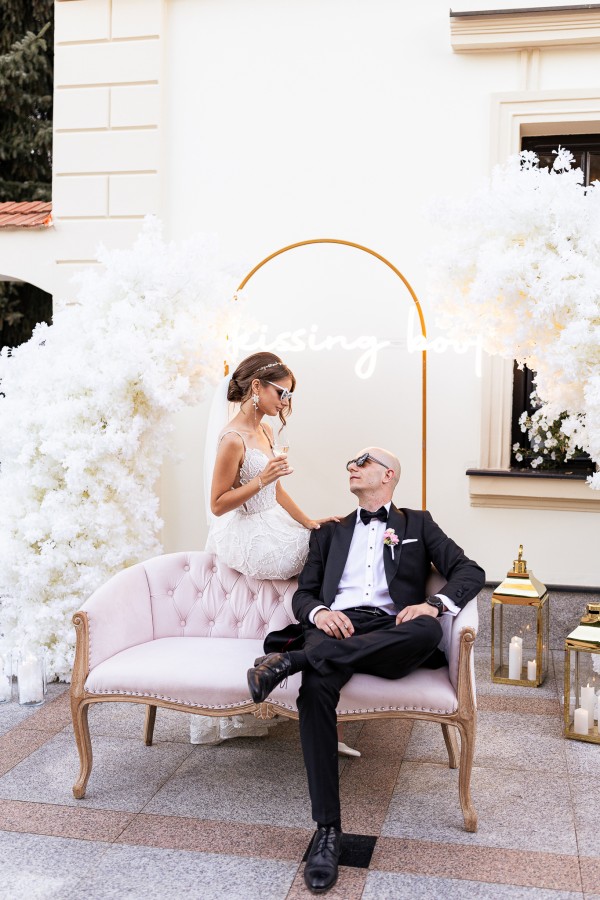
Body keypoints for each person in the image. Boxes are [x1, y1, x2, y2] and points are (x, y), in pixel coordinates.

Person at [247, 447, 485, 893]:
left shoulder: (419, 524)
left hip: (393, 630)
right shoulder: (329, 532)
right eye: (350, 464)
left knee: (425, 631)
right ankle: (327, 832)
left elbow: (470, 571)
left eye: (363, 461)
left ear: (388, 474)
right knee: (314, 690)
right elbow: (304, 594)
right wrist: (319, 613)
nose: (352, 467)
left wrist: (433, 605)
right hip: (336, 627)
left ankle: (292, 662)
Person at [196, 352, 357, 754]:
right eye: (281, 392)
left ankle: (323, 666)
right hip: (248, 532)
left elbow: (278, 491)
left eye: (289, 395)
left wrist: (309, 522)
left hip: (275, 521)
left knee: (329, 536)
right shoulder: (232, 439)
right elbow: (217, 503)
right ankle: (324, 676)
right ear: (257, 387)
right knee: (326, 556)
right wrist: (261, 480)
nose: (285, 401)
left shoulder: (265, 430)